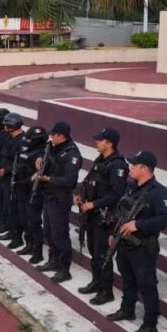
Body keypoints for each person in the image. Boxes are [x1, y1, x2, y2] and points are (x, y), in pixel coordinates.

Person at [106, 150, 167, 332]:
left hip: (143, 247)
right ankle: (127, 309)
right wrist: (113, 233)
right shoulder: (131, 187)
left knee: (147, 285)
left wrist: (139, 225)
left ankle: (150, 324)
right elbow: (121, 212)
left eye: (134, 165)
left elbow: (165, 219)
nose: (131, 168)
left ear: (145, 168)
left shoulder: (159, 193)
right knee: (128, 280)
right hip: (124, 243)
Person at [76, 128, 127, 306]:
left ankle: (106, 291)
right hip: (92, 215)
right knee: (93, 250)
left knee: (103, 254)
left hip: (104, 217)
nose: (96, 142)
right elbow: (89, 182)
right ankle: (96, 282)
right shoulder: (101, 160)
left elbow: (116, 194)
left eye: (100, 140)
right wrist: (81, 195)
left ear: (109, 143)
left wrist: (94, 204)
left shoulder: (118, 166)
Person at [34, 122, 83, 283]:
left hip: (60, 198)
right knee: (48, 232)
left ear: (61, 136)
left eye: (53, 135)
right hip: (49, 196)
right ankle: (53, 260)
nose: (51, 137)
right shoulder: (54, 147)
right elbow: (46, 156)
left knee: (60, 235)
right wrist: (40, 159)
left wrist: (48, 179)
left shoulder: (72, 154)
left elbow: (69, 180)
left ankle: (64, 268)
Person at [14, 126, 47, 264]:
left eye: (30, 139)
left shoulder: (42, 154)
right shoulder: (26, 149)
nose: (27, 141)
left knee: (34, 222)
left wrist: (25, 182)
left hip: (33, 192)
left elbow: (36, 175)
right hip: (22, 189)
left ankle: (37, 251)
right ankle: (29, 244)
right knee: (24, 218)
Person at [0, 112, 25, 248]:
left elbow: (19, 162)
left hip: (13, 178)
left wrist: (6, 170)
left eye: (6, 125)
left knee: (13, 208)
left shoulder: (22, 141)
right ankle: (9, 228)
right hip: (4, 176)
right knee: (5, 204)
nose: (4, 128)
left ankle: (17, 236)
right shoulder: (9, 137)